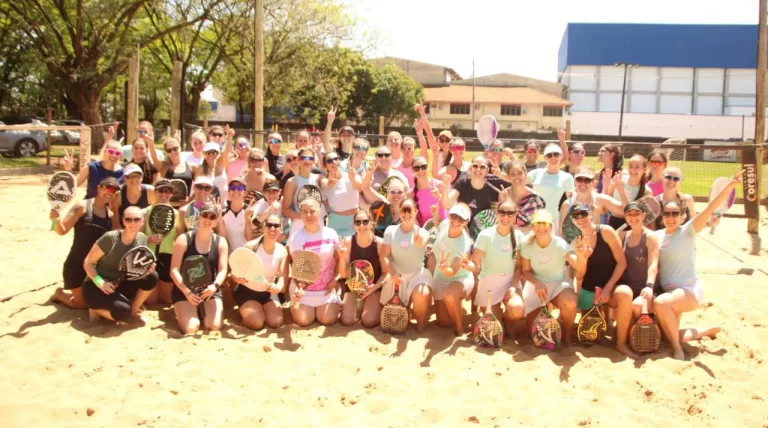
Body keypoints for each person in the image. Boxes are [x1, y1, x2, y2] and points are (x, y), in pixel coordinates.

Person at [653, 170, 742, 360]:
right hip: (670, 292)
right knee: (668, 335)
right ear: (662, 216)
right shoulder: (657, 236)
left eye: (674, 213)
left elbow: (710, 207)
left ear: (682, 216)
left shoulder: (687, 231)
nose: (670, 217)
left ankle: (678, 350)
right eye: (666, 213)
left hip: (687, 290)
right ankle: (704, 331)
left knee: (660, 304)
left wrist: (729, 186)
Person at [570, 203, 636, 357]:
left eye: (583, 214)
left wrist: (608, 288)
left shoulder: (606, 231)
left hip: (611, 287)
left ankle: (621, 343)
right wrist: (582, 258)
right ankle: (607, 322)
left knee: (625, 294)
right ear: (572, 221)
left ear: (591, 213)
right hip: (590, 290)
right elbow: (579, 276)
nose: (581, 219)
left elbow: (622, 262)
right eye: (576, 216)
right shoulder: (576, 242)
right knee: (592, 333)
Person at [520, 210, 587, 348]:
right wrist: (537, 283)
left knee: (570, 301)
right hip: (536, 285)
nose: (541, 227)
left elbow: (579, 267)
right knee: (532, 332)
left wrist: (581, 256)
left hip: (558, 284)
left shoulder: (560, 243)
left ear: (551, 226)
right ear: (533, 227)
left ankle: (567, 335)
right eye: (537, 224)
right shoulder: (527, 245)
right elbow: (525, 271)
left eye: (545, 224)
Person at [81, 206, 158, 323]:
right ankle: (95, 309)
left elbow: (135, 267)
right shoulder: (110, 238)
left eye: (136, 219)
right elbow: (88, 262)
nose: (132, 223)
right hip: (96, 285)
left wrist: (146, 269)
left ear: (142, 221)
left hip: (119, 283)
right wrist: (100, 282)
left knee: (152, 277)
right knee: (122, 312)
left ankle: (133, 310)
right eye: (128, 219)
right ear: (123, 221)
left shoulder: (142, 238)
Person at [50, 177, 117, 309]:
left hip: (94, 268)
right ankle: (59, 294)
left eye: (114, 190)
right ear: (98, 188)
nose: (110, 192)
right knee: (81, 305)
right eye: (107, 187)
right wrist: (55, 220)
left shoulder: (110, 215)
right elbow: (61, 231)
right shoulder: (82, 206)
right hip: (75, 265)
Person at [466, 200, 525, 338]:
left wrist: (513, 286)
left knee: (516, 310)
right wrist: (468, 266)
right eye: (502, 212)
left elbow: (519, 267)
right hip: (489, 284)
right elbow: (475, 264)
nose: (505, 217)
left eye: (510, 213)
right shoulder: (485, 235)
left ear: (515, 215)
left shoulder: (519, 236)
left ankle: (508, 321)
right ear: (496, 214)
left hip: (510, 282)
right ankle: (500, 318)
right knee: (495, 331)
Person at [169, 203, 229, 334]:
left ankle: (202, 310)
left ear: (216, 221)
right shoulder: (184, 239)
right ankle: (191, 310)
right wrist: (187, 292)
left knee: (214, 325)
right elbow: (173, 270)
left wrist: (214, 286)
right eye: (204, 215)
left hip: (209, 290)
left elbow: (222, 270)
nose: (208, 219)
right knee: (191, 328)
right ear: (198, 217)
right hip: (185, 289)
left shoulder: (221, 242)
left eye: (212, 217)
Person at [286, 198, 342, 326]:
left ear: (320, 212)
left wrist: (335, 280)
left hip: (327, 289)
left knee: (327, 320)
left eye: (312, 211)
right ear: (300, 215)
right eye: (305, 212)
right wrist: (298, 291)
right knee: (304, 321)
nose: (309, 215)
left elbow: (338, 260)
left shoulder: (331, 234)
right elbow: (297, 269)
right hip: (304, 291)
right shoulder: (296, 238)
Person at [379, 199, 432, 332]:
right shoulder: (390, 230)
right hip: (396, 275)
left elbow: (421, 243)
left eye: (410, 211)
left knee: (422, 294)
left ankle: (420, 328)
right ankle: (407, 311)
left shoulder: (422, 232)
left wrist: (419, 242)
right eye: (404, 210)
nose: (407, 214)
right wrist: (393, 273)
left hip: (417, 275)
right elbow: (384, 255)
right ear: (399, 211)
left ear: (416, 212)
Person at [231, 213, 287, 330]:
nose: (272, 229)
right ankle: (247, 312)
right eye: (269, 225)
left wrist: (278, 287)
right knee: (257, 323)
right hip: (247, 292)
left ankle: (258, 310)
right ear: (263, 228)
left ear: (281, 229)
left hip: (268, 293)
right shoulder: (251, 247)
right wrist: (236, 278)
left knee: (275, 322)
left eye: (276, 226)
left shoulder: (282, 250)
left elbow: (282, 277)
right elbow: (234, 272)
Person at [427, 203, 474, 336]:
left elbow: (452, 271)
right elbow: (438, 224)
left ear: (466, 222)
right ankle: (455, 306)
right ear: (449, 215)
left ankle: (459, 328)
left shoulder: (463, 243)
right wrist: (435, 215)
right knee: (444, 322)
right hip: (440, 277)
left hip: (459, 278)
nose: (456, 221)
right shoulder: (446, 223)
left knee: (450, 294)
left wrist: (444, 267)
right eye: (454, 216)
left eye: (461, 219)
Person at [338, 209, 390, 327]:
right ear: (354, 225)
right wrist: (341, 258)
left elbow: (386, 273)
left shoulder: (380, 244)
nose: (361, 226)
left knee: (369, 321)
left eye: (365, 222)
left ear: (372, 223)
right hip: (353, 288)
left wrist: (374, 288)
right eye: (358, 222)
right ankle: (359, 306)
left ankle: (368, 305)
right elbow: (343, 274)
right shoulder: (348, 242)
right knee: (347, 321)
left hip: (373, 289)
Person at [616, 202, 660, 317]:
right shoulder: (621, 236)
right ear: (625, 217)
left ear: (643, 215)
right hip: (628, 289)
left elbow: (653, 265)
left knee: (637, 306)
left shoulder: (651, 236)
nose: (633, 217)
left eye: (637, 213)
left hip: (645, 290)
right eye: (629, 214)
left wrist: (649, 287)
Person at [559, 167, 625, 242]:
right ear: (574, 181)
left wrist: (621, 191)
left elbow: (626, 211)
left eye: (587, 180)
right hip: (574, 249)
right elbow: (561, 233)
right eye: (579, 179)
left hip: (597, 248)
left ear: (593, 182)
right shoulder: (567, 204)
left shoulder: (600, 200)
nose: (583, 183)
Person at [143, 179, 181, 305]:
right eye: (160, 191)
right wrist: (148, 239)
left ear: (171, 194)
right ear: (155, 192)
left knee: (167, 300)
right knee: (151, 301)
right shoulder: (145, 212)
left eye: (167, 191)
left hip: (168, 256)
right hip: (149, 255)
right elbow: (135, 236)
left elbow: (180, 237)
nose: (164, 194)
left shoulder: (177, 214)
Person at [447, 155, 504, 238]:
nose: (478, 169)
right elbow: (447, 204)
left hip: (483, 233)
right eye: (475, 166)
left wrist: (504, 199)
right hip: (462, 228)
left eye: (482, 167)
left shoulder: (494, 187)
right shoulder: (463, 182)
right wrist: (445, 187)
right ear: (471, 168)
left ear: (487, 170)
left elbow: (519, 182)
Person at [527, 144, 574, 235]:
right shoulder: (536, 173)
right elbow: (517, 180)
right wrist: (499, 174)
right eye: (549, 155)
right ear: (545, 158)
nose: (553, 157)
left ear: (561, 156)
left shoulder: (567, 177)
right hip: (534, 217)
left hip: (553, 219)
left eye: (556, 154)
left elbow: (570, 202)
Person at [282, 148, 326, 235]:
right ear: (298, 160)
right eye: (303, 158)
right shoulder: (292, 182)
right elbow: (285, 210)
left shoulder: (319, 178)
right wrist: (305, 217)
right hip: (299, 227)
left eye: (310, 158)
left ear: (313, 161)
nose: (307, 160)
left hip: (319, 225)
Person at [322, 151, 363, 238]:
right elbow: (324, 202)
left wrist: (353, 179)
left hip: (355, 222)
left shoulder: (351, 175)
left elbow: (360, 188)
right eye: (329, 161)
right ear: (325, 165)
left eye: (336, 159)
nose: (333, 162)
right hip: (336, 223)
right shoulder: (325, 183)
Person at [603, 154, 651, 229]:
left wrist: (622, 191)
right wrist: (606, 185)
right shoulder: (619, 179)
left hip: (632, 226)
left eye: (637, 167)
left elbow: (631, 212)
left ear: (645, 169)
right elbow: (607, 201)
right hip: (613, 221)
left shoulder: (647, 191)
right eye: (630, 166)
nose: (633, 170)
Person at [500, 161, 546, 234]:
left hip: (529, 237)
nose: (516, 177)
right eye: (512, 174)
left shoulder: (535, 197)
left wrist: (518, 230)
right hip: (508, 236)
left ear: (525, 174)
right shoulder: (503, 195)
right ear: (508, 176)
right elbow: (501, 220)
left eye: (520, 173)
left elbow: (538, 223)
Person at [146, 134, 193, 205]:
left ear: (180, 148)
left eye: (175, 149)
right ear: (166, 152)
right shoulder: (164, 167)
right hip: (167, 205)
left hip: (185, 206)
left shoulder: (191, 167)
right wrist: (151, 144)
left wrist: (190, 200)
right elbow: (155, 158)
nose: (173, 152)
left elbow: (199, 186)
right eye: (169, 150)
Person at [111, 163, 156, 229]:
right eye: (129, 176)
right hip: (124, 230)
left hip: (145, 230)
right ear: (124, 178)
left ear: (142, 177)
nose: (134, 179)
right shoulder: (118, 194)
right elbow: (115, 222)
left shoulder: (150, 192)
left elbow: (156, 214)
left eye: (138, 176)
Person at [192, 136, 231, 208]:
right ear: (204, 153)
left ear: (218, 154)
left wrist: (229, 136)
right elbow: (195, 189)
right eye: (208, 152)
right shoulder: (200, 169)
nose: (211, 155)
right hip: (206, 209)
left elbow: (227, 150)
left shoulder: (222, 165)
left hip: (222, 207)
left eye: (214, 152)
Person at [411, 156, 447, 226]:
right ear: (412, 171)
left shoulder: (440, 185)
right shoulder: (411, 194)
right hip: (425, 233)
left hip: (443, 229)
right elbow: (413, 218)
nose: (420, 170)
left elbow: (446, 206)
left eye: (423, 167)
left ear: (428, 167)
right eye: (416, 168)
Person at [219, 176, 249, 252]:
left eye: (239, 188)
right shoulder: (222, 213)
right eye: (232, 188)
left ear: (244, 192)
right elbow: (222, 239)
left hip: (247, 256)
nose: (236, 191)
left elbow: (251, 238)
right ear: (228, 192)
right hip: (229, 257)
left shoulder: (250, 212)